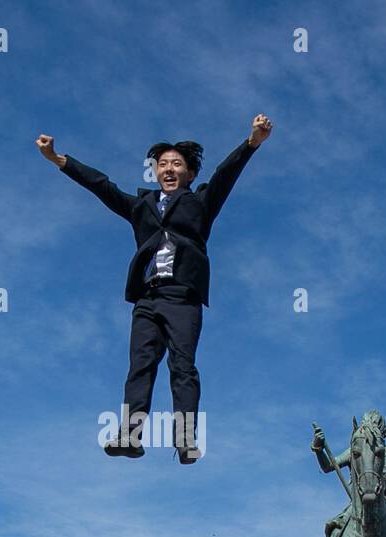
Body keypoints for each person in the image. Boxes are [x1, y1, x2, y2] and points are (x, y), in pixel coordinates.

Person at [37, 115, 272, 464]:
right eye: (162, 164)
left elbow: (225, 175)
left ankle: (185, 438)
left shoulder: (200, 202)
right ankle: (130, 435)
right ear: (155, 172)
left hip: (183, 297)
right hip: (147, 298)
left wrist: (252, 142)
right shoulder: (141, 206)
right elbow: (103, 186)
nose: (169, 168)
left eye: (177, 164)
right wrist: (60, 160)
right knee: (141, 365)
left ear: (189, 174)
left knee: (183, 366)